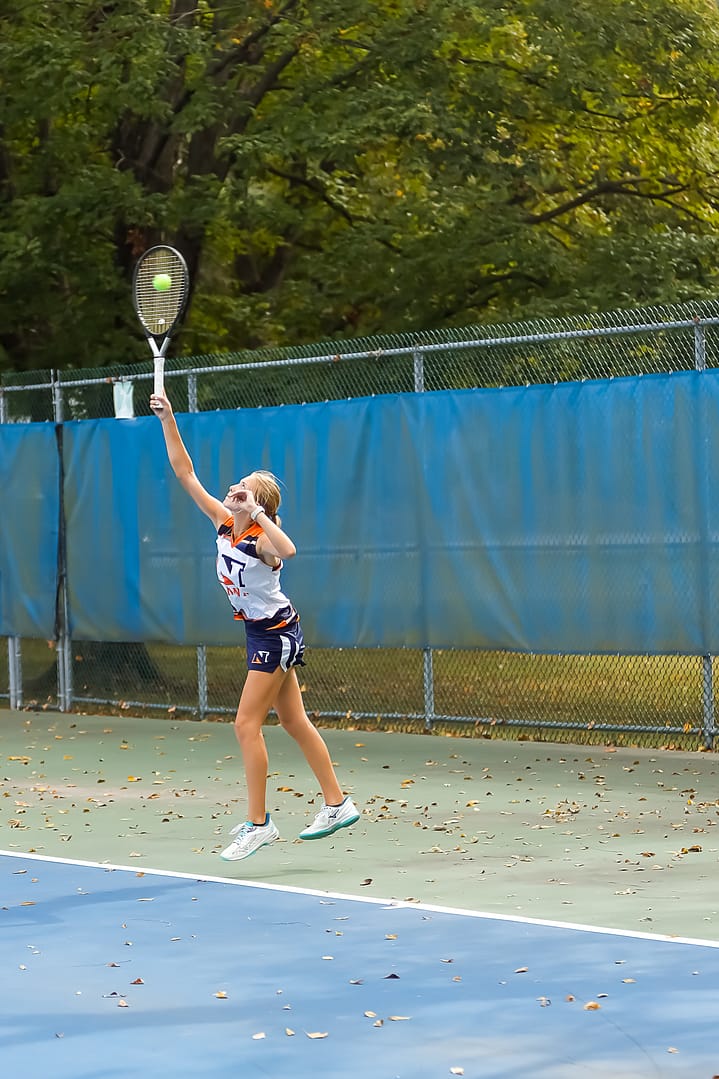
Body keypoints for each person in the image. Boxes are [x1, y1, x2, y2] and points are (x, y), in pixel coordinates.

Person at [150, 389, 360, 861]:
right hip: (260, 632)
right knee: (292, 720)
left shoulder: (262, 539)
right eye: (235, 487)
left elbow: (289, 551)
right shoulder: (224, 522)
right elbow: (185, 473)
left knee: (246, 724)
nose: (232, 490)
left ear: (255, 502)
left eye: (241, 489)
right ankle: (337, 804)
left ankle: (260, 823)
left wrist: (260, 511)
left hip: (276, 635)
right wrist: (168, 419)